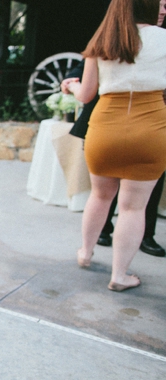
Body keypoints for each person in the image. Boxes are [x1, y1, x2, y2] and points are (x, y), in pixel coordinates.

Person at [63, 0, 166, 291]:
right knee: (133, 208)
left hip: (105, 128)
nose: (165, 8)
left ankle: (85, 253)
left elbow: (85, 95)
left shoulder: (104, 39)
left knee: (100, 195)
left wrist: (70, 86)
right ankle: (120, 275)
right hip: (151, 130)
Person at [63, 60, 166, 258]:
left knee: (114, 195)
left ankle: (143, 237)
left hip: (142, 123)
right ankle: (105, 242)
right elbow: (83, 69)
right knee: (123, 201)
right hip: (123, 122)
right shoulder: (110, 38)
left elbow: (84, 93)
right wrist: (72, 80)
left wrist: (73, 86)